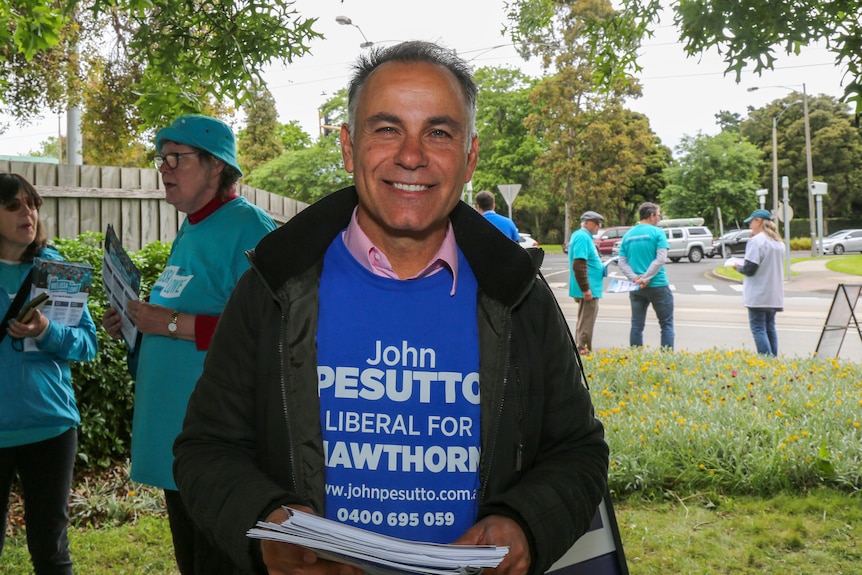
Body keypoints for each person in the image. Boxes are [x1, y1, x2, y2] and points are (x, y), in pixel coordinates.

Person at [174, 41, 608, 575]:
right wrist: (265, 528)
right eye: (386, 129)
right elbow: (205, 450)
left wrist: (524, 524)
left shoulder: (517, 295)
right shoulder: (272, 287)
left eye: (439, 132)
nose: (411, 155)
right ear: (348, 147)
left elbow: (578, 452)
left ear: (470, 157)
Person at [102, 115, 277, 574]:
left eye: (177, 158)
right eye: (163, 159)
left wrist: (171, 323)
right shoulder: (193, 227)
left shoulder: (249, 228)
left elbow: (274, 330)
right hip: (177, 446)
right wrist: (136, 323)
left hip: (219, 450)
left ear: (217, 166)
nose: (165, 168)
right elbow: (183, 317)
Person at [0, 173, 98, 574]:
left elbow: (87, 345)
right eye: (14, 206)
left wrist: (46, 330)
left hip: (52, 427)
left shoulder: (57, 269)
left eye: (33, 204)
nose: (29, 213)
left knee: (51, 549)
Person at [618, 202, 674, 350]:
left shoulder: (628, 235)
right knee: (666, 324)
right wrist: (646, 278)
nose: (659, 218)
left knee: (636, 325)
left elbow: (622, 262)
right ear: (651, 216)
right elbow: (661, 258)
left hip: (636, 287)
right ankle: (666, 361)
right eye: (659, 215)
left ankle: (637, 359)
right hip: (658, 285)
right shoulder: (658, 233)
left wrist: (635, 278)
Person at [734, 208, 785, 355]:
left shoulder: (756, 242)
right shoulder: (778, 242)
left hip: (758, 293)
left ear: (759, 222)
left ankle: (766, 361)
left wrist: (737, 266)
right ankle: (773, 360)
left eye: (751, 222)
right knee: (770, 327)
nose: (750, 225)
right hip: (773, 294)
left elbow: (750, 268)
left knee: (758, 328)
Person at [568, 210, 605, 354]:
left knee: (584, 319)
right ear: (587, 223)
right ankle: (583, 349)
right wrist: (586, 288)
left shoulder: (584, 237)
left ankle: (580, 347)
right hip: (588, 288)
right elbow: (579, 264)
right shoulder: (583, 237)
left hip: (590, 287)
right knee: (587, 321)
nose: (599, 226)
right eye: (597, 223)